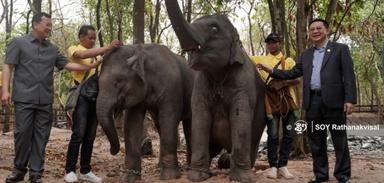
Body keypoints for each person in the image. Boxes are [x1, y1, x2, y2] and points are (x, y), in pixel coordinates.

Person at [2, 12, 104, 183]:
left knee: (41, 137)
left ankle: (36, 173)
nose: (50, 28)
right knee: (22, 135)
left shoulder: (52, 49)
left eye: (51, 25)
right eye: (47, 25)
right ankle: (19, 170)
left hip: (45, 100)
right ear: (35, 24)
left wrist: (93, 65)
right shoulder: (18, 43)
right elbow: (8, 66)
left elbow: (67, 64)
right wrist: (5, 90)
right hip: (24, 99)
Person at [257, 18, 356, 183]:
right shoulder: (306, 55)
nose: (315, 31)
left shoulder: (340, 49)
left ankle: (342, 174)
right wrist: (272, 71)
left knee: (339, 139)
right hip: (313, 103)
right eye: (312, 29)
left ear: (327, 30)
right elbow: (292, 73)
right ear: (309, 34)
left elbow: (349, 76)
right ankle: (321, 175)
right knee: (316, 141)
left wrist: (350, 100)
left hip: (335, 102)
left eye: (319, 28)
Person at [63, 25, 119, 183]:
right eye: (90, 37)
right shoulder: (75, 48)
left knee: (90, 136)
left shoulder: (97, 57)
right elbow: (82, 54)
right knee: (78, 133)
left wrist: (110, 51)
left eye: (95, 38)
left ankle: (86, 170)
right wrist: (106, 47)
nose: (93, 40)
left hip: (96, 98)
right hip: (81, 97)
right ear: (81, 37)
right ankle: (70, 170)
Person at [251, 33, 299, 180]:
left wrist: (281, 83)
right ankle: (272, 166)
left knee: (289, 135)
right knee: (272, 135)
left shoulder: (288, 60)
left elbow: (297, 78)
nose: (272, 44)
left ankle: (283, 166)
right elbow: (244, 57)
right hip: (270, 102)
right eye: (269, 42)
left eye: (275, 42)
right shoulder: (260, 59)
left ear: (280, 43)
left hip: (289, 103)